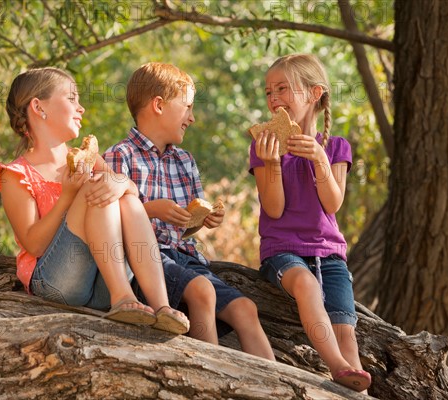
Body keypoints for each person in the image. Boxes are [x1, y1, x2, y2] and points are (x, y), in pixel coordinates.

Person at [0, 67, 189, 335]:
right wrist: (68, 196)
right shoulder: (16, 174)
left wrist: (120, 182)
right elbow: (32, 244)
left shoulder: (88, 158)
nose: (81, 108)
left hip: (101, 281)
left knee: (124, 197)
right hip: (56, 283)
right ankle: (123, 297)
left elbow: (131, 193)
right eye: (71, 99)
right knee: (96, 187)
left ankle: (160, 306)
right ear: (38, 107)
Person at [104, 62, 275, 361]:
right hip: (147, 261)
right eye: (187, 107)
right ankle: (212, 377)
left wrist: (202, 220)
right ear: (158, 105)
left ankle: (275, 386)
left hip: (187, 258)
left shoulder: (185, 161)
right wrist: (151, 211)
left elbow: (185, 227)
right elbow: (109, 222)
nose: (192, 118)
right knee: (202, 292)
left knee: (245, 309)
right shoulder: (119, 156)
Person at [249, 53, 371, 392]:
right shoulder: (263, 147)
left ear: (314, 93)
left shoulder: (335, 147)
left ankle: (353, 377)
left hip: (330, 256)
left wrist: (318, 158)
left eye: (283, 89)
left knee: (346, 331)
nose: (273, 99)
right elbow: (274, 210)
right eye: (268, 92)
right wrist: (273, 164)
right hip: (283, 252)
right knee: (306, 285)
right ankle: (336, 367)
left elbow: (332, 203)